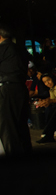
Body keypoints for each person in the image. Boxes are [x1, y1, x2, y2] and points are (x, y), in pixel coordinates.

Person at [0, 26, 31, 155]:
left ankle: (14, 162)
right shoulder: (19, 48)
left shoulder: (3, 48)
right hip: (20, 88)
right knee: (21, 125)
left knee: (8, 127)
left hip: (7, 89)